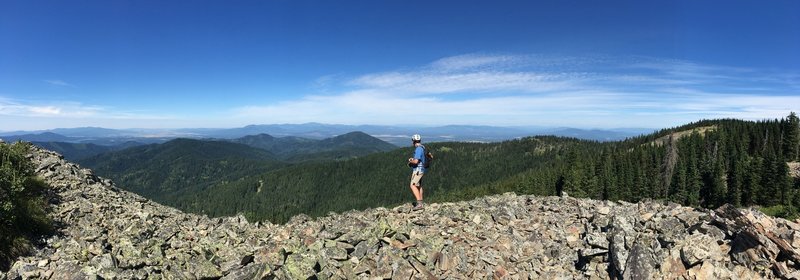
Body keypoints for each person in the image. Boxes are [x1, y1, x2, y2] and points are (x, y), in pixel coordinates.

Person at [407, 134, 427, 210]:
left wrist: (411, 160)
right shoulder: (423, 147)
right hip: (422, 170)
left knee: (413, 185)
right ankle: (421, 201)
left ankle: (419, 204)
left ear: (414, 141)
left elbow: (416, 161)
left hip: (418, 170)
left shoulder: (418, 149)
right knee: (419, 186)